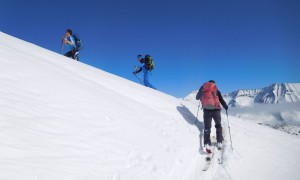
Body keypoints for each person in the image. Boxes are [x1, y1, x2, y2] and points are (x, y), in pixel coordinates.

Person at [196, 80, 228, 152]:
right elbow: (221, 99)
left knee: (207, 127)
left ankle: (207, 142)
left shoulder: (204, 89)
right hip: (216, 110)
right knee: (218, 125)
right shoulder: (216, 90)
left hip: (206, 110)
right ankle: (219, 141)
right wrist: (225, 106)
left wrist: (201, 90)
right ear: (214, 84)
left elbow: (197, 98)